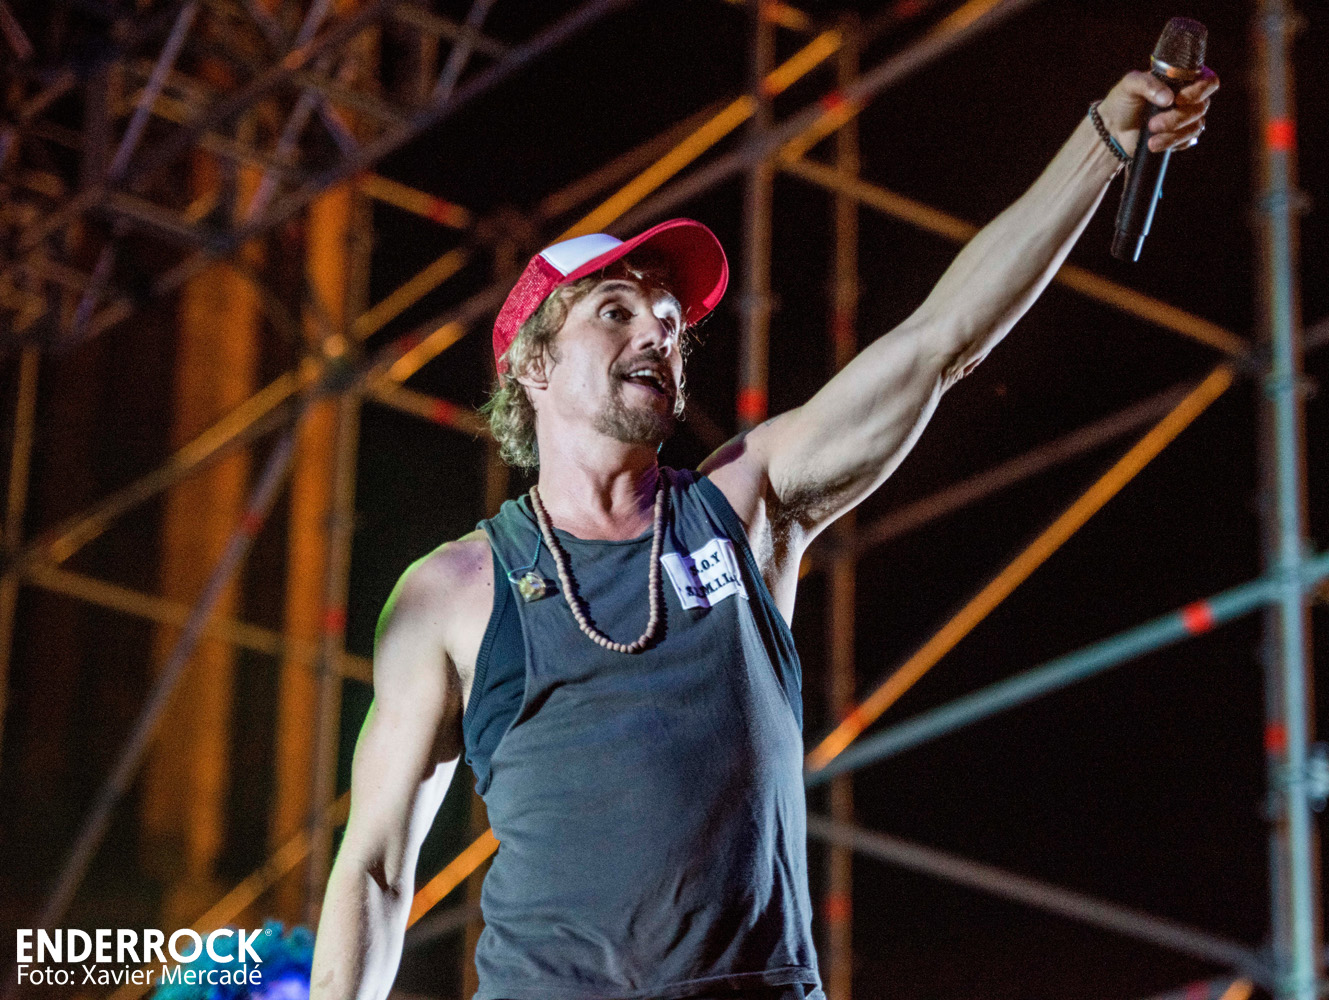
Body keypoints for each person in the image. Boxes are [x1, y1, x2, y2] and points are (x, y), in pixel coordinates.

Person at [309, 65, 1217, 1000]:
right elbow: (374, 867)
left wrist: (1103, 142)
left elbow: (939, 341)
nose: (658, 334)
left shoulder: (743, 504)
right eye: (617, 311)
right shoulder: (455, 591)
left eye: (671, 322)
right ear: (533, 365)